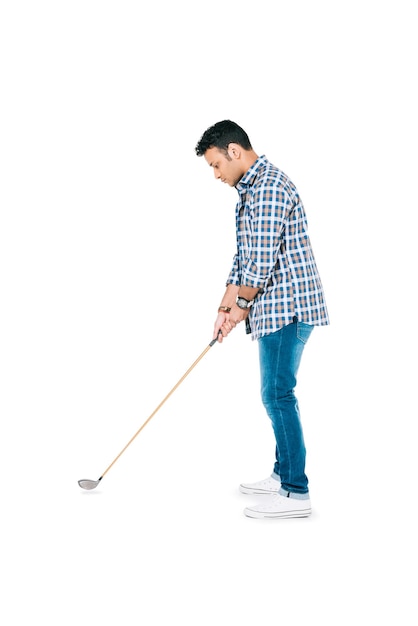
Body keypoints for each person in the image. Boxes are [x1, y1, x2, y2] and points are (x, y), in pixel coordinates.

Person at [195, 120, 329, 519]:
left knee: (277, 395)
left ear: (234, 151)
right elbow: (245, 256)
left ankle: (295, 492)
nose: (216, 175)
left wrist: (239, 309)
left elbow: (263, 260)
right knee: (277, 393)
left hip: (289, 307)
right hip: (274, 307)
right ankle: (281, 472)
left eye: (217, 165)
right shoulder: (249, 190)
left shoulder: (268, 187)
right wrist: (224, 308)